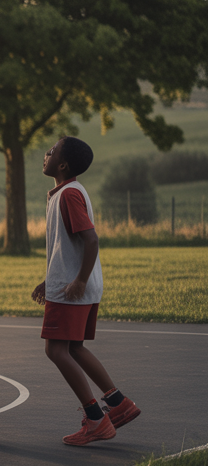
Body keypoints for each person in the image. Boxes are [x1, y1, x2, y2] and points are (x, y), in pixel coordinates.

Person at [34, 136, 140, 446]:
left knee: (55, 350)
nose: (46, 153)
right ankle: (118, 403)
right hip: (75, 283)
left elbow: (91, 240)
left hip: (72, 288)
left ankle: (96, 419)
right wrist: (49, 278)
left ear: (62, 165)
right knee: (75, 348)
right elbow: (66, 246)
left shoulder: (68, 195)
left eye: (51, 151)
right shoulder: (64, 193)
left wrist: (77, 281)